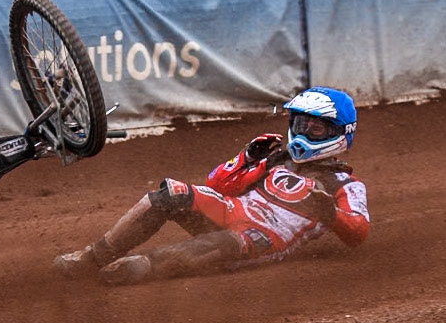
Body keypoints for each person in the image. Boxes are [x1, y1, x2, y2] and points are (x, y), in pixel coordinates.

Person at [54, 86, 370, 285]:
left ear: (340, 134)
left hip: (264, 237)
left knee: (227, 244)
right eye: (301, 124)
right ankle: (92, 258)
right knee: (171, 193)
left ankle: (144, 266)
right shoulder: (278, 157)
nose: (304, 134)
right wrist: (246, 158)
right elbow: (219, 185)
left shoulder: (344, 183)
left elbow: (357, 232)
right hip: (233, 210)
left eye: (315, 129)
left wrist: (329, 213)